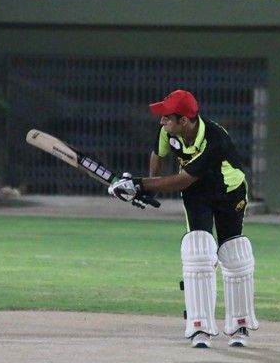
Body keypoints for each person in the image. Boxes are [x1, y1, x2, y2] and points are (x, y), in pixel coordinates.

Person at [108, 89, 259, 348]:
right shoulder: (169, 131)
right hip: (196, 192)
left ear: (185, 120)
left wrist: (140, 185)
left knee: (234, 252)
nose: (162, 121)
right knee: (198, 250)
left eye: (167, 117)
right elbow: (158, 154)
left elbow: (182, 179)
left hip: (229, 191)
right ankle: (200, 327)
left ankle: (239, 325)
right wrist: (148, 188)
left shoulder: (214, 139)